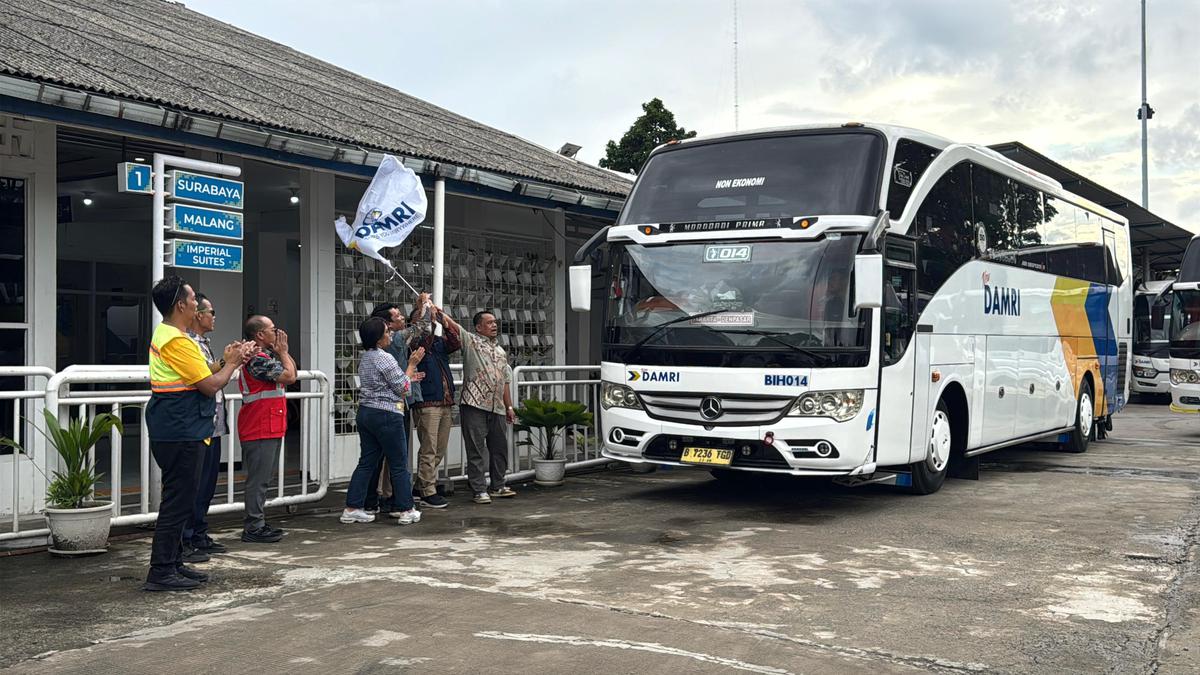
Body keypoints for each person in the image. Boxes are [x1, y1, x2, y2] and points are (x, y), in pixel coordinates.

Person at [143, 276, 251, 592]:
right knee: (178, 502)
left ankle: (174, 563)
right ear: (181, 305)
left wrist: (226, 359)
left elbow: (201, 373)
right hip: (181, 429)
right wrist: (231, 365)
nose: (196, 304)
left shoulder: (175, 336)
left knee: (181, 498)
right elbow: (209, 385)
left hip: (180, 427)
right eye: (193, 300)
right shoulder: (176, 340)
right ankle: (161, 570)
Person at [341, 317, 425, 525]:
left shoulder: (366, 357)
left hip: (367, 412)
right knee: (398, 463)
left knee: (367, 461)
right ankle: (406, 509)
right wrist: (412, 365)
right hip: (387, 413)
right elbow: (403, 389)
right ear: (378, 339)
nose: (390, 335)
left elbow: (386, 383)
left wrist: (409, 376)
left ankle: (352, 507)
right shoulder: (385, 358)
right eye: (387, 332)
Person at [438, 309, 516, 504]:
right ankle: (479, 489)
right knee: (476, 450)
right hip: (474, 404)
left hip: (497, 407)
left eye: (495, 322)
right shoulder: (471, 341)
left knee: (499, 448)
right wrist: (436, 311)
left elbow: (505, 380)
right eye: (489, 322)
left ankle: (498, 485)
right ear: (479, 327)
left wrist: (509, 406)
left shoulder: (500, 352)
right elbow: (453, 326)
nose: (494, 325)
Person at [363, 298, 428, 516]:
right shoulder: (396, 341)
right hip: (392, 407)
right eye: (398, 315)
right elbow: (421, 327)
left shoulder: (370, 354)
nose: (402, 318)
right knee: (397, 459)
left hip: (375, 408)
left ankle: (369, 501)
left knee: (373, 458)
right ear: (386, 326)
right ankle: (399, 504)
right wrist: (423, 307)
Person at [237, 315, 298, 543]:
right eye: (273, 329)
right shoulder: (257, 360)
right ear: (260, 335)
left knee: (263, 479)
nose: (277, 332)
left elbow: (292, 373)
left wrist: (282, 352)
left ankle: (257, 522)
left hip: (268, 425)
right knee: (258, 480)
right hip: (259, 426)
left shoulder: (265, 356)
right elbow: (290, 376)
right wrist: (283, 352)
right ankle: (253, 526)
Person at [181, 294, 231, 561]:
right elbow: (206, 380)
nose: (214, 317)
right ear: (198, 314)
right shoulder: (188, 343)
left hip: (213, 423)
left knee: (208, 485)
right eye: (211, 311)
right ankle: (187, 538)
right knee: (194, 485)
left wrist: (227, 360)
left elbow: (211, 371)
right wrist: (229, 363)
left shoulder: (204, 343)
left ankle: (199, 533)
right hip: (200, 424)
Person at [410, 304, 461, 509]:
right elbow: (426, 342)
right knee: (429, 448)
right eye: (422, 318)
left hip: (445, 401)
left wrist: (445, 322)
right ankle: (427, 490)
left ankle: (420, 485)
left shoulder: (439, 342)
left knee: (438, 449)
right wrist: (429, 321)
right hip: (427, 401)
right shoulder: (413, 342)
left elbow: (456, 342)